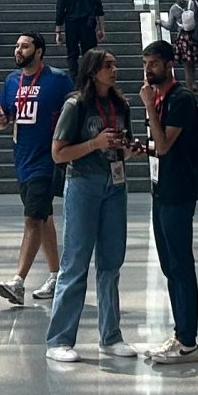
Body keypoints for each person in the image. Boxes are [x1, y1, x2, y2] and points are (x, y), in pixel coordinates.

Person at [43, 47, 135, 364]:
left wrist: (128, 148)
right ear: (93, 71)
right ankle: (59, 338)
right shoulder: (76, 105)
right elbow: (58, 153)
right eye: (108, 65)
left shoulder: (121, 104)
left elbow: (123, 146)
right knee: (76, 261)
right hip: (83, 183)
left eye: (115, 64)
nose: (114, 69)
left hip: (115, 185)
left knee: (111, 262)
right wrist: (95, 144)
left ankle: (110, 336)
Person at [141, 39, 198, 365]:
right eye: (145, 63)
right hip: (162, 190)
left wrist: (146, 106)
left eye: (154, 63)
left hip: (178, 192)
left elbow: (165, 144)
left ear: (169, 63)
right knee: (170, 265)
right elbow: (156, 148)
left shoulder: (180, 99)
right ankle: (180, 332)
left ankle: (188, 341)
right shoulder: (161, 99)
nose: (148, 69)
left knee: (181, 265)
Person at [0, 33, 71, 307]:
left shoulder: (58, 80)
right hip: (22, 157)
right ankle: (56, 274)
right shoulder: (12, 81)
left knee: (32, 220)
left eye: (24, 46)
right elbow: (7, 117)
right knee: (43, 216)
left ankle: (18, 281)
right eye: (16, 45)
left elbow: (74, 110)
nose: (18, 50)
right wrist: (0, 119)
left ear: (39, 51)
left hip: (47, 160)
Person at [54, 0, 105, 69]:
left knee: (72, 54)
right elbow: (99, 9)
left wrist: (58, 32)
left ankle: (75, 79)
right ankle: (90, 77)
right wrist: (101, 29)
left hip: (71, 25)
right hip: (88, 24)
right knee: (90, 54)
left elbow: (60, 11)